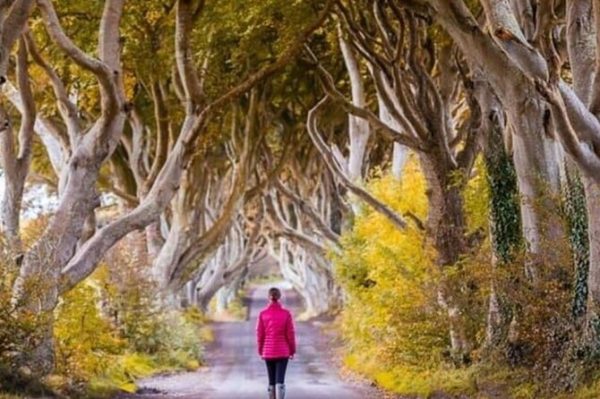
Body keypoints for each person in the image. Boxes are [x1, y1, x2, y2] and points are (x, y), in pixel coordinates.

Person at [256, 287, 296, 399]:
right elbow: (290, 334)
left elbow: (260, 334)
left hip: (267, 352)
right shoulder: (286, 314)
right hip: (283, 352)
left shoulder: (262, 314)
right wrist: (292, 350)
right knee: (280, 380)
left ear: (269, 297)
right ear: (279, 297)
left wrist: (260, 350)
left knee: (271, 381)